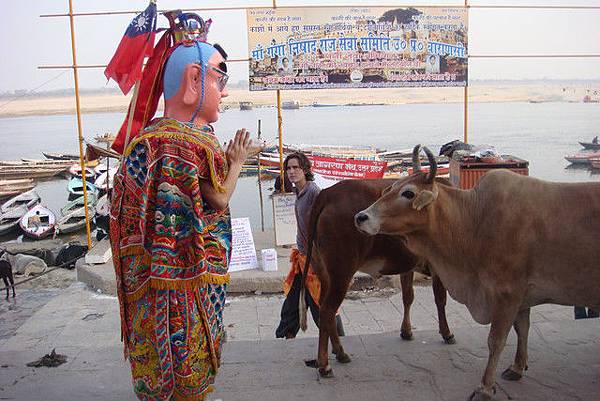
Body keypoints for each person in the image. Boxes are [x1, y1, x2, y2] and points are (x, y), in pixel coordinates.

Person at [109, 15, 260, 401]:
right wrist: (238, 160)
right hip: (189, 285)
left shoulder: (144, 141)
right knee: (190, 371)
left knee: (158, 370)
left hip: (144, 283)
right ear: (194, 81)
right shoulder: (194, 144)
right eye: (219, 79)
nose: (223, 92)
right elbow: (220, 200)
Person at [275, 152, 345, 339]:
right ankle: (285, 337)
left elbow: (329, 224)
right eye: (288, 168)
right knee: (292, 301)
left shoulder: (314, 193)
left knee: (321, 304)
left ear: (305, 169)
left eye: (295, 167)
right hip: (301, 259)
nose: (291, 171)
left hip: (315, 261)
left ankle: (339, 341)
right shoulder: (299, 192)